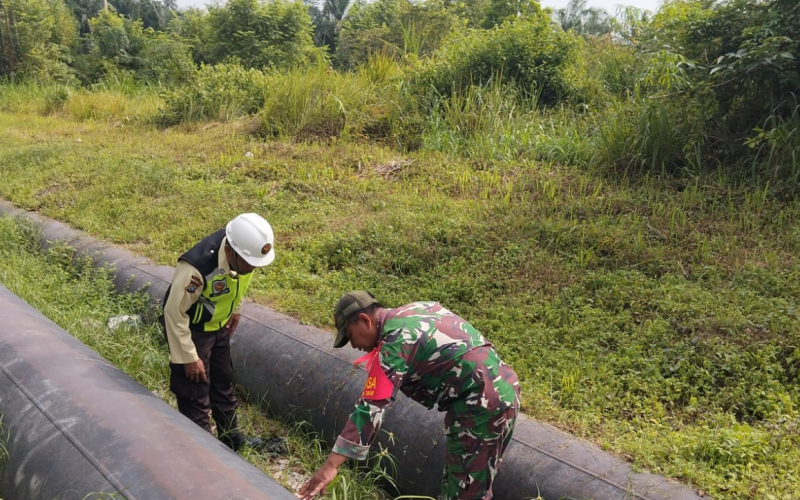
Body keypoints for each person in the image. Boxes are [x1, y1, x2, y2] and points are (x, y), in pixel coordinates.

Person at [298, 291, 521, 500]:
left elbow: (371, 406)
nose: (354, 345)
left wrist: (331, 466)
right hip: (504, 389)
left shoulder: (395, 340)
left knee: (464, 492)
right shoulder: (416, 309)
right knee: (474, 485)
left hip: (480, 404)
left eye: (350, 336)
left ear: (365, 320)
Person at [160, 213, 275, 451]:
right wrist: (189, 357)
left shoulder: (245, 255)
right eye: (249, 263)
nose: (253, 268)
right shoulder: (198, 268)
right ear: (231, 251)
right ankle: (203, 451)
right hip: (191, 331)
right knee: (195, 392)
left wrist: (236, 309)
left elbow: (238, 282)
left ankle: (232, 439)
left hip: (219, 326)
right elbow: (173, 312)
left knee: (223, 385)